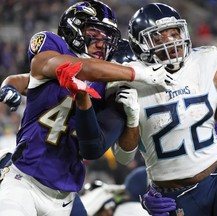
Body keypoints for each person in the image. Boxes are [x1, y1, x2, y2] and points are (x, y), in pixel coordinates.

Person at [101, 3, 217, 216]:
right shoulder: (128, 82)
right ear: (140, 44)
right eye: (161, 36)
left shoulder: (206, 64)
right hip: (172, 194)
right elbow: (130, 155)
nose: (173, 40)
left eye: (175, 32)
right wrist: (132, 121)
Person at [0, 1, 174, 216]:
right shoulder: (53, 47)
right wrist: (136, 73)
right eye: (94, 33)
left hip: (65, 197)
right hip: (23, 182)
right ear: (74, 28)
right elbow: (40, 73)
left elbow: (93, 149)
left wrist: (109, 107)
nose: (101, 44)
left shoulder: (109, 91)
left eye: (107, 39)